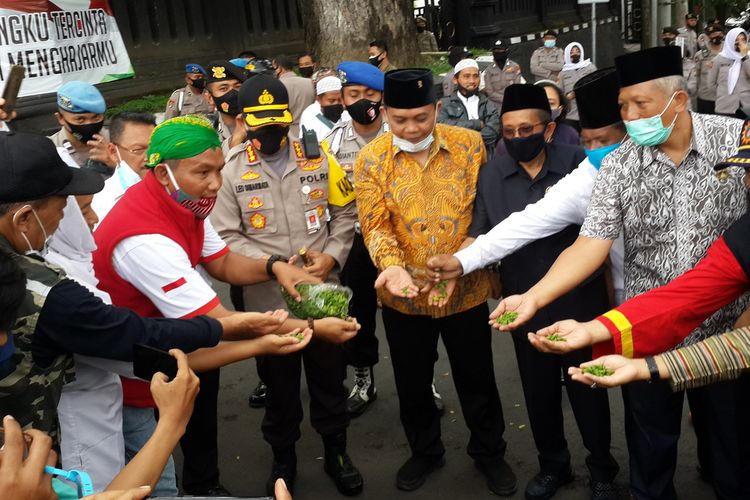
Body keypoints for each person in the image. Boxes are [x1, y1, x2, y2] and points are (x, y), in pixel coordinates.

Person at [491, 46, 749, 500]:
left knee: (734, 455)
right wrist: (537, 295)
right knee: (650, 458)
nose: (630, 117)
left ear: (680, 100)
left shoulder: (738, 145)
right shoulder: (618, 165)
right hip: (646, 329)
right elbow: (591, 242)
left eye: (641, 105)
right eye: (623, 106)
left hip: (730, 331)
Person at [91, 115, 330, 497]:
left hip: (171, 353)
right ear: (164, 172)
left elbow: (222, 262)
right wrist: (314, 328)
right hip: (131, 380)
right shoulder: (143, 237)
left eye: (219, 169)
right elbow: (218, 323)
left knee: (192, 443)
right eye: (203, 172)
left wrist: (275, 267)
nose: (216, 184)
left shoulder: (188, 203)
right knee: (154, 483)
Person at [354, 68, 516, 496]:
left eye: (421, 118)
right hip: (405, 297)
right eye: (400, 120)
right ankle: (426, 451)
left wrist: (466, 256)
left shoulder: (469, 144)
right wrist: (390, 267)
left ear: (437, 109)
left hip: (465, 290)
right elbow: (375, 225)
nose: (411, 129)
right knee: (411, 381)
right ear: (385, 112)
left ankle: (489, 453)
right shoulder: (370, 159)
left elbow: (483, 210)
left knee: (477, 377)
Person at [212, 75, 363, 496]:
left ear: (290, 119)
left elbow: (345, 213)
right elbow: (224, 237)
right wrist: (273, 265)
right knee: (278, 386)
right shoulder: (230, 169)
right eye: (261, 127)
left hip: (323, 291)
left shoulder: (318, 157)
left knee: (329, 378)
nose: (272, 134)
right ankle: (284, 458)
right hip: (266, 300)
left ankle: (337, 451)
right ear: (244, 122)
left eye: (279, 124)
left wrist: (332, 256)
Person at [471, 83, 618, 500]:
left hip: (580, 299)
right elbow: (481, 233)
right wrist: (452, 263)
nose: (518, 138)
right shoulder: (492, 175)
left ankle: (602, 469)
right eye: (509, 132)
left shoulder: (580, 163)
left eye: (527, 129)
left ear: (548, 130)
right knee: (538, 392)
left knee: (588, 386)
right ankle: (553, 465)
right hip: (523, 300)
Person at [426, 68, 628, 323]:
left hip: (658, 297)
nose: (594, 150)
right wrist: (461, 261)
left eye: (602, 141)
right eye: (587, 142)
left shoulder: (576, 160)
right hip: (623, 302)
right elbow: (526, 223)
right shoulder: (587, 175)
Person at [325, 61, 388, 418]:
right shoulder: (332, 143)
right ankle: (364, 378)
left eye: (369, 94)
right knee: (357, 312)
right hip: (356, 240)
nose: (362, 101)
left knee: (410, 313)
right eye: (353, 95)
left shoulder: (400, 133)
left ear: (381, 97)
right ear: (343, 98)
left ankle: (425, 380)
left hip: (398, 239)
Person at [91, 112, 156, 224]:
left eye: (155, 147)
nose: (149, 157)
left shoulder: (177, 187)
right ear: (113, 152)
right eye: (138, 150)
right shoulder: (102, 203)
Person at [48, 81, 115, 178]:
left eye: (96, 117)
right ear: (61, 118)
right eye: (80, 119)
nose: (89, 124)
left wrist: (115, 164)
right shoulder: (50, 150)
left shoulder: (117, 140)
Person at [438, 59, 500, 153]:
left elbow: (493, 133)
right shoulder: (445, 104)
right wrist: (477, 124)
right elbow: (442, 129)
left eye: (475, 76)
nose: (472, 81)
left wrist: (463, 139)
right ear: (455, 80)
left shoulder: (487, 103)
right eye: (466, 76)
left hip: (485, 158)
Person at [709, 27, 750, 117]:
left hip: (746, 107)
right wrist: (723, 94)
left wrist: (745, 57)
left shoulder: (748, 58)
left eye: (743, 40)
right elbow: (711, 84)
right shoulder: (718, 59)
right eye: (737, 40)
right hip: (725, 107)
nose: (740, 43)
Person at [204, 60, 247, 145]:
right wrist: (235, 141)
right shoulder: (206, 131)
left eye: (238, 87)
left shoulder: (260, 124)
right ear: (210, 98)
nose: (233, 93)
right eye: (223, 89)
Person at [274, 55, 316, 138]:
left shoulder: (276, 86)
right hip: (311, 129)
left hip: (288, 133)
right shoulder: (310, 82)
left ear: (279, 68)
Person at [559, 42, 597, 130]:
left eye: (577, 51)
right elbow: (559, 95)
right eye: (572, 52)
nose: (575, 54)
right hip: (571, 116)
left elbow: (597, 86)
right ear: (567, 55)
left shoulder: (590, 67)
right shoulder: (563, 73)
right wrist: (568, 97)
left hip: (589, 112)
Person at [298, 75, 348, 141]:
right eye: (331, 101)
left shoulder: (347, 115)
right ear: (319, 99)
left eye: (339, 100)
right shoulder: (310, 116)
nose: (336, 103)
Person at [483, 39, 523, 113]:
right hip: (495, 109)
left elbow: (517, 87)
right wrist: (504, 99)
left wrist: (510, 100)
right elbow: (489, 91)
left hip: (512, 105)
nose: (498, 53)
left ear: (506, 51)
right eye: (496, 51)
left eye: (500, 50)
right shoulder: (488, 70)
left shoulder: (515, 67)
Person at [693, 24, 725, 114]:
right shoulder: (700, 55)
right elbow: (696, 76)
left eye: (719, 33)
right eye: (713, 34)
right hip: (705, 98)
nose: (716, 36)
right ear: (708, 37)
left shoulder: (729, 53)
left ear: (723, 35)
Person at [663, 27, 698, 97]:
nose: (667, 37)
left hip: (683, 99)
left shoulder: (690, 66)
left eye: (670, 35)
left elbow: (692, 88)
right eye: (665, 35)